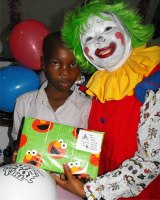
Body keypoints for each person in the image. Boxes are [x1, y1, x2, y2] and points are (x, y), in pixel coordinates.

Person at [53, 0, 160, 199]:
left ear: (128, 29)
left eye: (108, 28)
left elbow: (153, 161)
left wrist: (90, 191)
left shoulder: (154, 79)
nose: (99, 41)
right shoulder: (96, 86)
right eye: (89, 38)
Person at [11, 31, 92, 200]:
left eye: (73, 64)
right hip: (30, 189)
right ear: (43, 63)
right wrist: (17, 153)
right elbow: (18, 143)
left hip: (72, 192)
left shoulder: (89, 107)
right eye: (56, 63)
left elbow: (89, 156)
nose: (65, 72)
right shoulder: (24, 103)